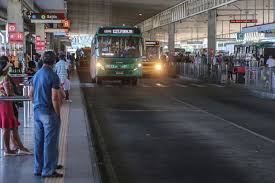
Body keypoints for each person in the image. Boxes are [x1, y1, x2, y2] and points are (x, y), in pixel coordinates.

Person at [29, 51, 63, 177]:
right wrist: (58, 114)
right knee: (50, 142)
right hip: (48, 112)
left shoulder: (36, 74)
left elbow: (30, 95)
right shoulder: (53, 76)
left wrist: (37, 105)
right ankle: (48, 170)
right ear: (54, 62)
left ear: (43, 60)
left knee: (39, 140)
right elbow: (55, 97)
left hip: (37, 112)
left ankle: (38, 168)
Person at [0, 56, 32, 156]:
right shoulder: (5, 78)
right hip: (6, 104)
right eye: (8, 68)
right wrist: (19, 96)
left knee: (12, 126)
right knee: (7, 127)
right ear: (5, 69)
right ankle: (7, 150)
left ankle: (20, 147)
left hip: (4, 104)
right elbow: (8, 92)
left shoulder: (2, 77)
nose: (9, 69)